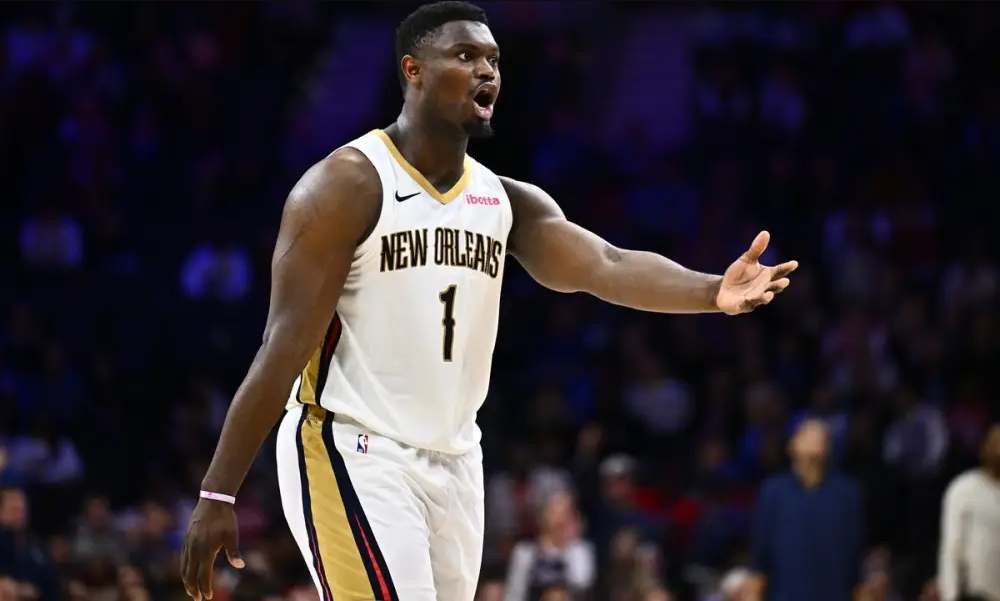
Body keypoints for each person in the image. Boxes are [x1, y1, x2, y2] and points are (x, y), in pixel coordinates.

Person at [179, 2, 798, 600]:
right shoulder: (347, 185)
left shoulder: (503, 200)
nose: (487, 71)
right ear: (413, 70)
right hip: (353, 447)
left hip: (456, 457)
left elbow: (606, 265)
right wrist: (219, 491)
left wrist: (712, 292)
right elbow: (284, 344)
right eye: (465, 56)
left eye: (494, 60)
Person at [745, 420, 866, 601]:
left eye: (821, 436)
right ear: (792, 445)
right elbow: (761, 554)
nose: (814, 439)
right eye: (807, 434)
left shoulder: (847, 494)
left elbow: (855, 556)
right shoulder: (773, 492)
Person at [936, 424, 1000, 601]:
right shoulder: (964, 489)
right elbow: (951, 549)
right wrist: (950, 595)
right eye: (996, 443)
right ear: (984, 448)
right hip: (975, 594)